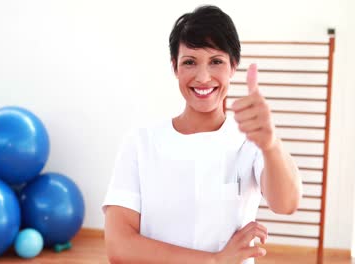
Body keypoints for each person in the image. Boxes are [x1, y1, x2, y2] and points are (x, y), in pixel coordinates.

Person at [102, 5, 302, 264]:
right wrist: (215, 261)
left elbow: (286, 203)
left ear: (233, 66)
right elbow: (120, 247)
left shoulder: (250, 144)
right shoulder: (140, 143)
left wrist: (271, 143)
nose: (203, 77)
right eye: (190, 62)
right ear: (175, 67)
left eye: (216, 61)